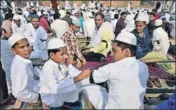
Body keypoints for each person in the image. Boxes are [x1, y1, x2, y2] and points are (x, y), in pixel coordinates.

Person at [82, 31, 149, 109]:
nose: (111, 54)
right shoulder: (144, 67)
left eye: (114, 51)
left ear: (127, 52)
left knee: (89, 88)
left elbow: (85, 78)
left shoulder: (112, 68)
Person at [39, 38, 90, 109]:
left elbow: (68, 73)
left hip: (61, 94)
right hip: (53, 99)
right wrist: (77, 78)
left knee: (83, 83)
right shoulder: (48, 67)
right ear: (52, 55)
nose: (66, 56)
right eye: (62, 54)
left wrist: (82, 75)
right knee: (78, 84)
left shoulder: (60, 63)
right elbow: (54, 89)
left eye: (66, 53)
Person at [8, 34, 41, 109]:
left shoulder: (24, 61)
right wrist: (37, 97)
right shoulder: (21, 66)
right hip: (28, 100)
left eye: (27, 45)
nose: (27, 49)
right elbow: (19, 92)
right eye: (22, 47)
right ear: (14, 50)